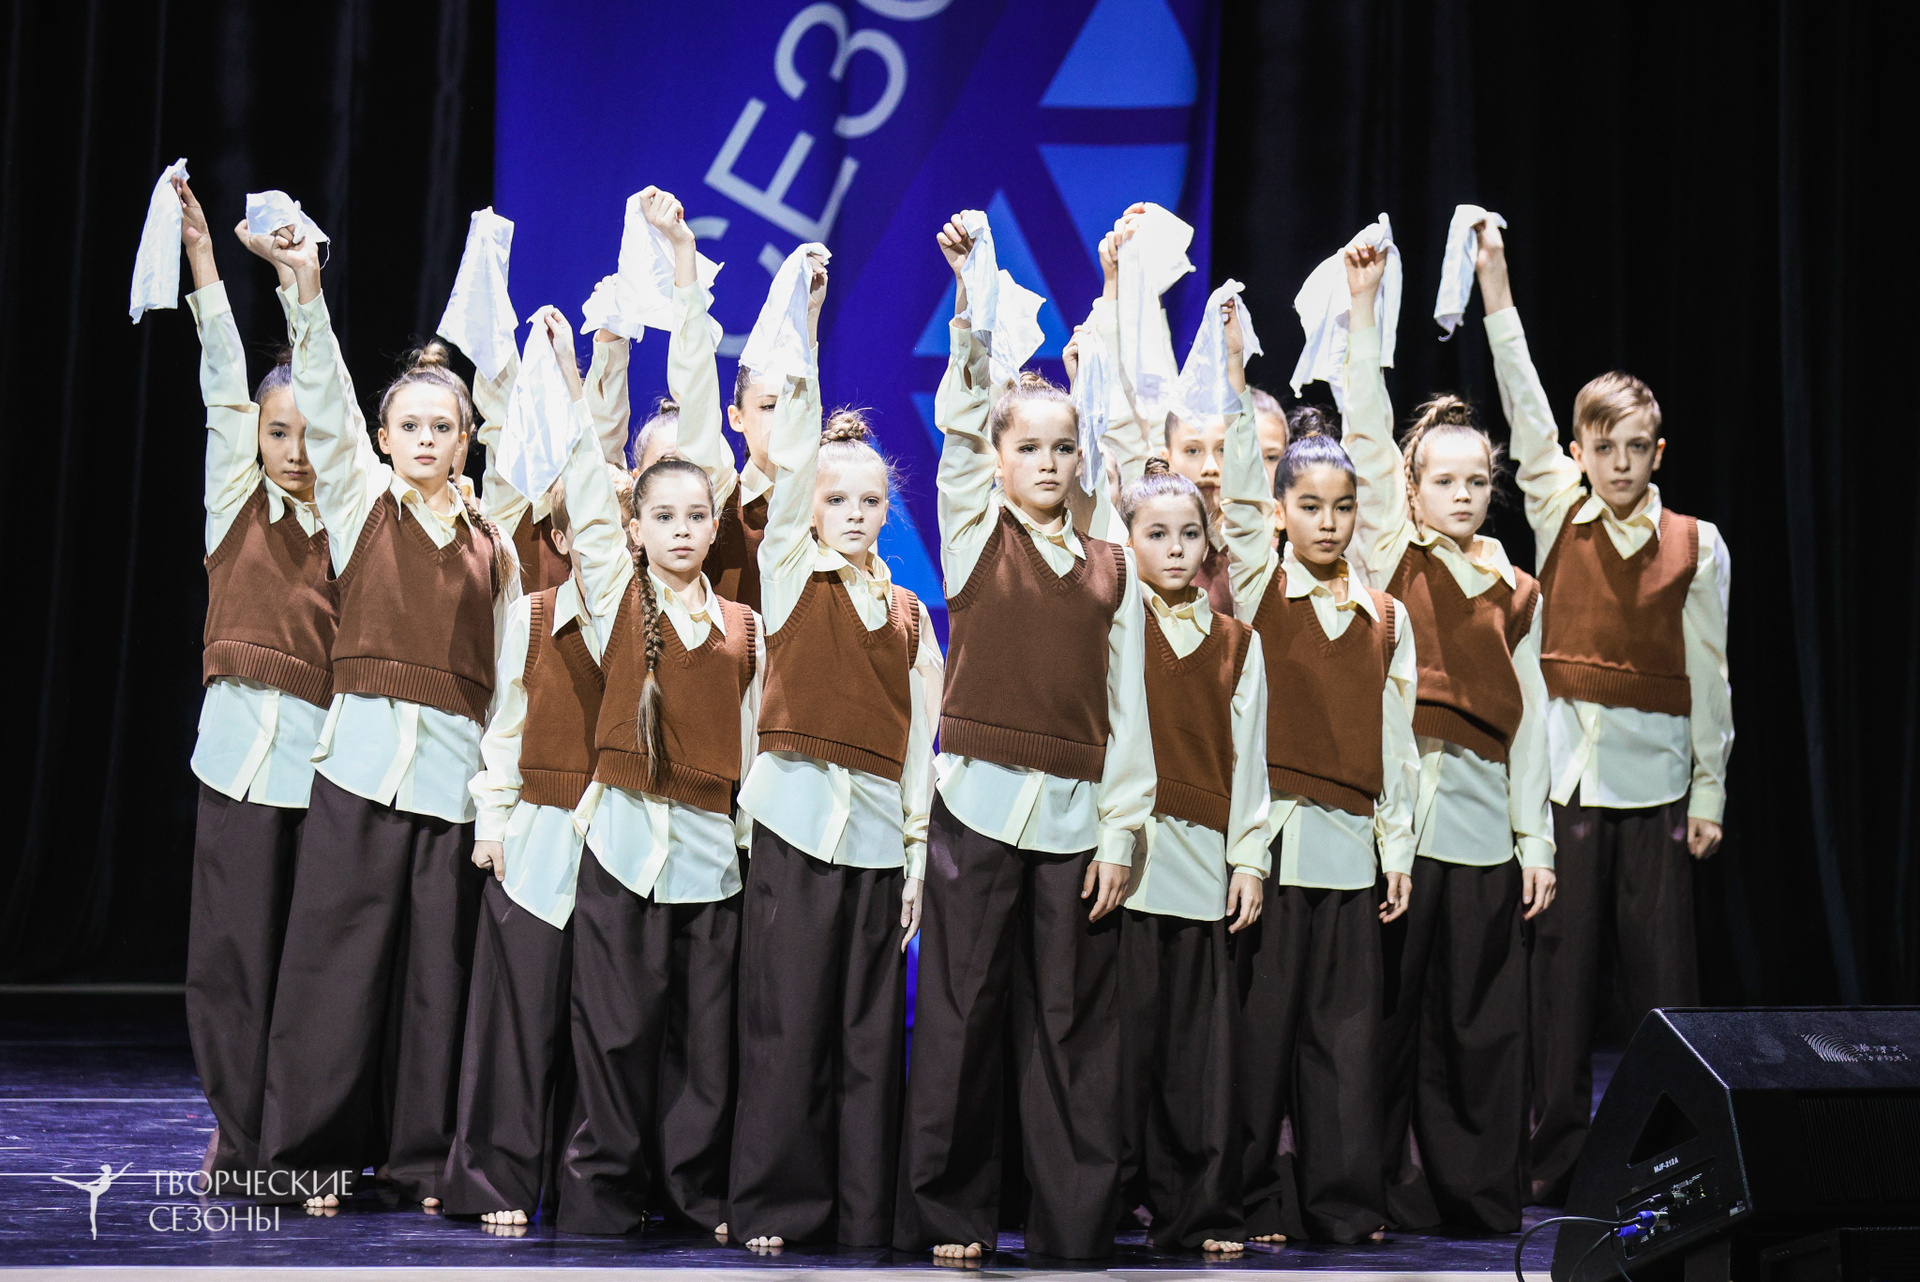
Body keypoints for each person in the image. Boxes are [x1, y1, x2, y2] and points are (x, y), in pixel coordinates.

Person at [892, 213, 1153, 1262]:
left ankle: (1072, 1222)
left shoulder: (1111, 565)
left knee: (1073, 1026)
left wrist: (1122, 832)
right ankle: (949, 1212)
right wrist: (971, 300)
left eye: (1061, 447)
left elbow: (1128, 710)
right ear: (999, 461)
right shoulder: (971, 534)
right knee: (960, 1015)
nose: (1047, 461)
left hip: (1078, 823)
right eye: (1028, 447)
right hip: (980, 806)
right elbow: (958, 426)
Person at [253, 222, 517, 1210]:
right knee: (334, 972)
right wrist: (305, 289)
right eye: (409, 425)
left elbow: (509, 679)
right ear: (381, 438)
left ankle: (418, 1160)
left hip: (449, 785)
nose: (426, 440)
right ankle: (306, 1156)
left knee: (433, 982)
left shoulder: (494, 542)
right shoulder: (362, 502)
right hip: (358, 770)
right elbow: (321, 389)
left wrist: (495, 797)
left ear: (466, 440)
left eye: (443, 427)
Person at [1474, 220, 1732, 1205]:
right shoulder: (1556, 511)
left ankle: (1678, 1153)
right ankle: (1554, 1156)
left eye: (1634, 449)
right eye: (1601, 447)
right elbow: (1521, 394)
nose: (1618, 464)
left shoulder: (1697, 544)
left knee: (1663, 986)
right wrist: (1496, 287)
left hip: (1656, 788)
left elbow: (1710, 674)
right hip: (1569, 792)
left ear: (1657, 452)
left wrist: (1708, 791)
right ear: (1576, 452)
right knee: (1559, 982)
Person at [556, 188, 762, 1239]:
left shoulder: (740, 623)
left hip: (710, 857)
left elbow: (703, 414)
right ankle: (600, 1196)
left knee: (701, 1041)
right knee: (616, 1030)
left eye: (696, 514)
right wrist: (605, 343)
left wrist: (689, 271)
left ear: (715, 519)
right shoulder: (612, 590)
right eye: (662, 515)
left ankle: (694, 1192)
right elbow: (587, 471)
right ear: (632, 525)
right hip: (624, 845)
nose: (682, 529)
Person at [1338, 241, 1555, 1233]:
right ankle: (1371, 1187)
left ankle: (1474, 1193)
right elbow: (1365, 431)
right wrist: (1363, 305)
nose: (1462, 495)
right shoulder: (1392, 552)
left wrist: (1534, 839)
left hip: (1479, 826)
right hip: (1399, 820)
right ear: (1414, 488)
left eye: (1476, 481)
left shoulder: (1516, 587)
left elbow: (1531, 720)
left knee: (1477, 1020)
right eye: (1444, 481)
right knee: (1383, 1018)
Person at [728, 259, 943, 1249]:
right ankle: (775, 1203)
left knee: (867, 1033)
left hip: (873, 844)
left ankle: (864, 1211)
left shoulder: (908, 614)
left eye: (870, 500)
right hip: (795, 827)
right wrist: (806, 330)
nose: (855, 512)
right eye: (837, 498)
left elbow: (917, 749)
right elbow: (793, 450)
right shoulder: (786, 570)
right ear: (808, 505)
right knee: (787, 1027)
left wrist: (914, 855)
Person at [1222, 290, 1419, 1244]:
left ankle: (1344, 1203)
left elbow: (1398, 741)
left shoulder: (1385, 616)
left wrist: (1397, 848)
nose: (1330, 524)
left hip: (1348, 852)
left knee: (1343, 1041)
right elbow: (1233, 492)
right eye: (1309, 507)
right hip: (1271, 848)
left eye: (1343, 508)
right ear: (1280, 514)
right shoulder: (1259, 587)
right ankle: (1251, 1195)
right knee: (1261, 1040)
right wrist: (1231, 375)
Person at [440, 311, 633, 1227]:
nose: (608, 531)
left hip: (623, 838)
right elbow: (505, 726)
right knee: (514, 1019)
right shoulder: (533, 609)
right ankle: (492, 1180)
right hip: (538, 832)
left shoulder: (646, 613)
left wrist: (603, 365)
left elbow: (598, 502)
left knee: (607, 1029)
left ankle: (594, 1192)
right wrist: (493, 822)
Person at [176, 178, 335, 1181]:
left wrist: (301, 289)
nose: (294, 450)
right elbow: (223, 380)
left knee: (306, 971)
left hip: (321, 771)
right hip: (236, 763)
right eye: (279, 433)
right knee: (231, 960)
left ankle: (298, 1136)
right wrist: (204, 260)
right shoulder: (234, 500)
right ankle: (238, 1134)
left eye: (310, 433)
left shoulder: (355, 523)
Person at [1112, 454, 1268, 1255]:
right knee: (1118, 1050)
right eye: (1156, 534)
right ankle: (1105, 1201)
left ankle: (1197, 1210)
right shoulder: (1113, 625)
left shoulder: (1237, 643)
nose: (1174, 548)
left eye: (1188, 534)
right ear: (1127, 540)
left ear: (1211, 544)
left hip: (1202, 864)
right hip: (1126, 864)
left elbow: (1250, 760)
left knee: (1195, 1056)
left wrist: (1249, 859)